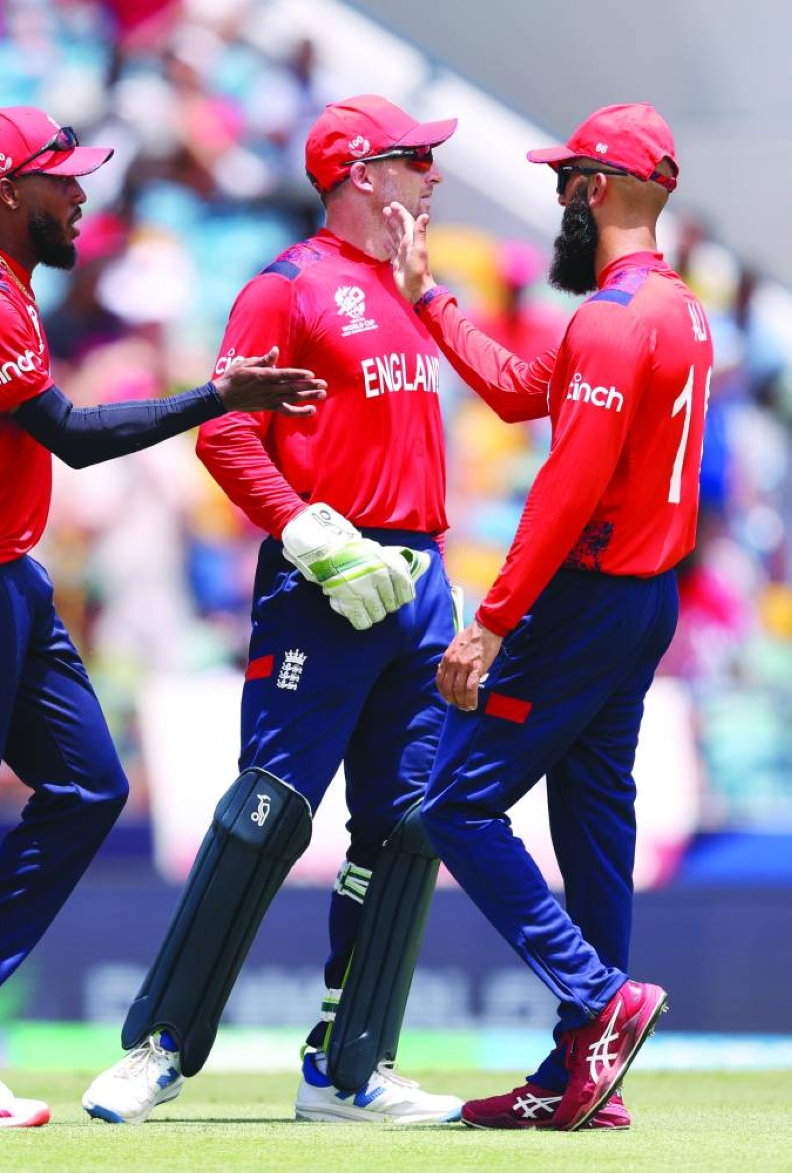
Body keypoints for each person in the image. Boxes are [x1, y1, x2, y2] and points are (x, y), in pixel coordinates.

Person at [0, 105, 325, 1129]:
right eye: (59, 178)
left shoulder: (4, 284)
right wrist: (217, 395)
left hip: (0, 572)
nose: (80, 194)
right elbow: (68, 436)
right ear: (1, 192)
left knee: (89, 784)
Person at [82, 94, 466, 1126]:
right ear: (359, 174)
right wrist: (311, 534)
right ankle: (158, 1049)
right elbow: (225, 434)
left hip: (418, 585)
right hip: (324, 587)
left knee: (404, 826)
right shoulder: (283, 290)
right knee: (267, 815)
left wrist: (431, 571)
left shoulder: (412, 292)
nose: (432, 174)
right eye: (414, 159)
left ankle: (348, 1072)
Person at [385, 102, 713, 1131]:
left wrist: (488, 619)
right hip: (642, 601)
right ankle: (583, 1072)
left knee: (453, 803)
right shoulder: (674, 311)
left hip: (583, 599)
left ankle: (596, 999)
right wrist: (429, 299)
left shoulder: (611, 320)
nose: (555, 200)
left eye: (562, 182)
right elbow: (530, 393)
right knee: (592, 823)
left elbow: (567, 482)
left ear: (593, 192)